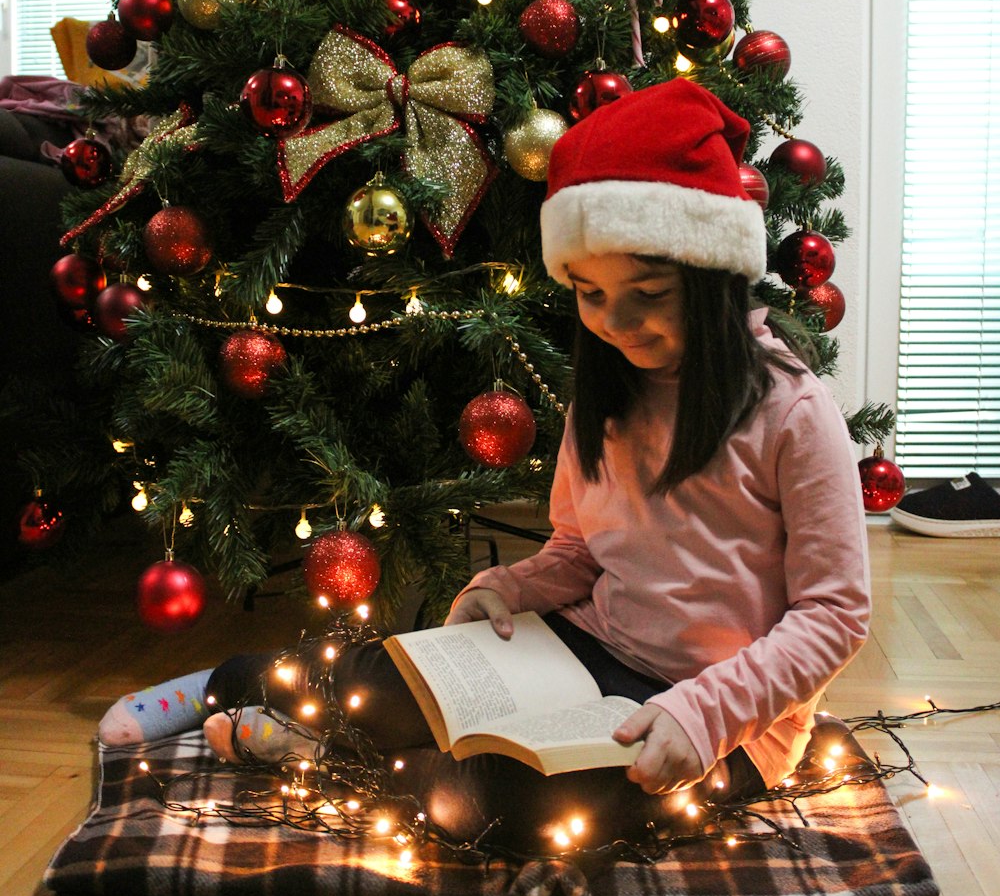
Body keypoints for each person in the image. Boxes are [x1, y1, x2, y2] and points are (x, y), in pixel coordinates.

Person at [98, 78, 871, 853]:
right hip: (586, 649)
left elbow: (836, 614)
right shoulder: (611, 392)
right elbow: (580, 548)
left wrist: (702, 715)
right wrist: (508, 588)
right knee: (362, 680)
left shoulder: (793, 413)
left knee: (494, 806)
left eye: (648, 294)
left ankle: (335, 757)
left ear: (712, 273)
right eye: (591, 295)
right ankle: (219, 689)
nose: (617, 324)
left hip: (722, 719)